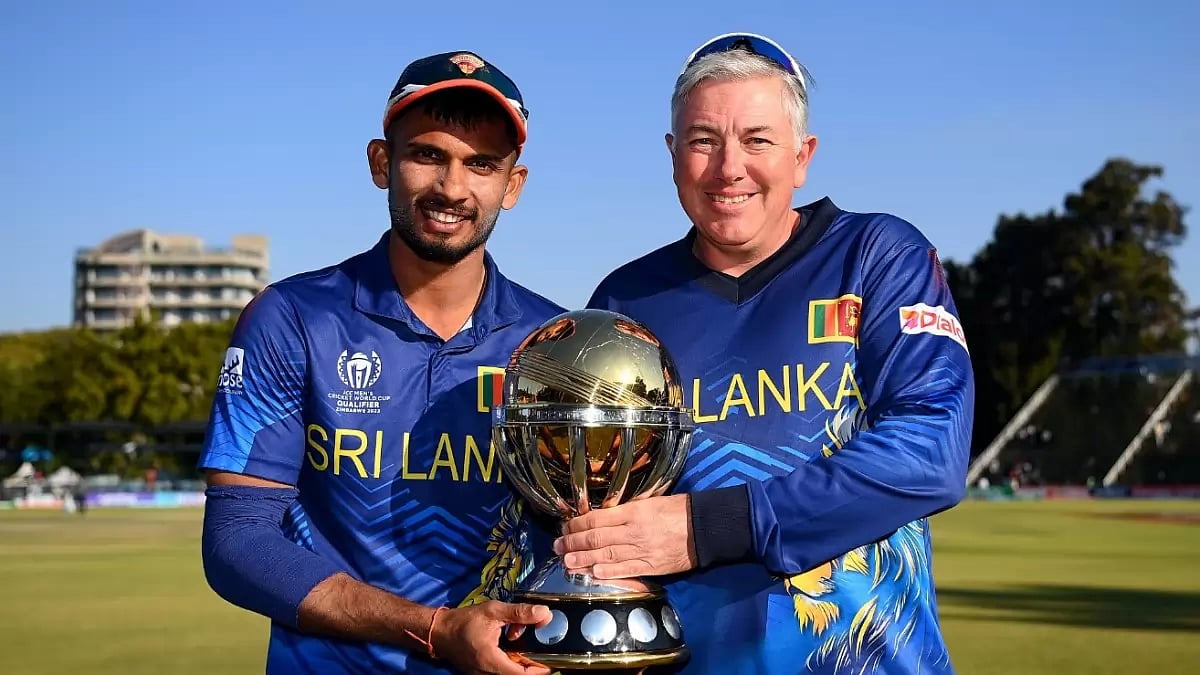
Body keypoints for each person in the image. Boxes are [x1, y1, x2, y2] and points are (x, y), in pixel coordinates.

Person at [558, 33, 975, 674]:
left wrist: (710, 527)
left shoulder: (876, 255)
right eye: (703, 141)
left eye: (758, 140)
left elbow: (929, 449)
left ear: (802, 156)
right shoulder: (625, 301)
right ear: (673, 155)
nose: (730, 168)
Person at [198, 50, 566, 675]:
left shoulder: (554, 342)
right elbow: (238, 540)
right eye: (428, 155)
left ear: (514, 185)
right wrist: (435, 630)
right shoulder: (292, 318)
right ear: (380, 162)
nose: (453, 188)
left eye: (482, 165)